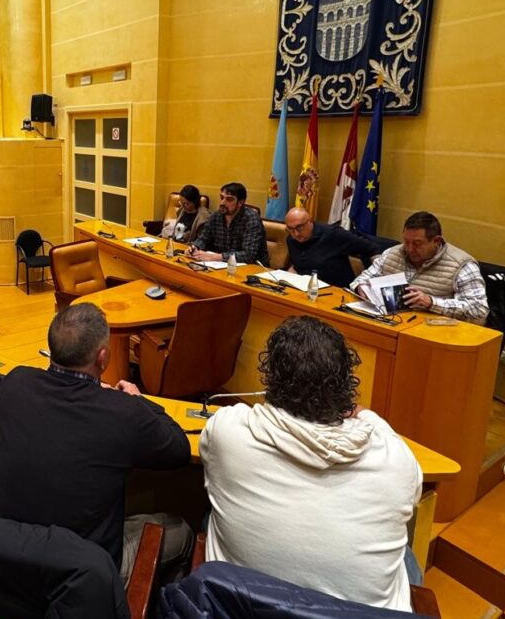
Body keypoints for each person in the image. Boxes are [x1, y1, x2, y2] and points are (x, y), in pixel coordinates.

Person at [200, 315, 422, 610]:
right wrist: (365, 415)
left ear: (270, 379)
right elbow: (409, 490)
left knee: (209, 516)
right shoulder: (397, 460)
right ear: (346, 386)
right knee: (405, 556)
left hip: (241, 610)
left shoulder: (228, 430)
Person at [0, 304, 193, 581]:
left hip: (1, 558)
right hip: (78, 578)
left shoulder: (16, 382)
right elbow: (179, 448)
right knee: (181, 532)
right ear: (102, 358)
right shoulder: (123, 412)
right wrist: (139, 400)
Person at [350, 211, 488, 324]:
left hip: (434, 332)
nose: (410, 249)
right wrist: (361, 288)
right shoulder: (392, 253)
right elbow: (361, 279)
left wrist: (431, 302)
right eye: (406, 242)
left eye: (417, 244)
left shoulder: (461, 265)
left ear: (436, 241)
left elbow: (479, 310)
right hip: (390, 323)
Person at [283, 207, 385, 288]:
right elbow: (297, 266)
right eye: (290, 229)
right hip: (304, 289)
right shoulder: (291, 239)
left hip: (335, 291)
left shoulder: (333, 235)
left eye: (299, 227)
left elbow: (372, 248)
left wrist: (375, 280)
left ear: (310, 220)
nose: (296, 234)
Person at [188, 181, 268, 266]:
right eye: (222, 197)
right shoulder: (216, 216)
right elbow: (203, 238)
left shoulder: (251, 219)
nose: (222, 202)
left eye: (229, 199)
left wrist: (216, 257)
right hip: (222, 265)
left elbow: (249, 255)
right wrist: (195, 247)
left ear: (240, 203)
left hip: (252, 269)